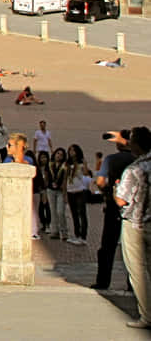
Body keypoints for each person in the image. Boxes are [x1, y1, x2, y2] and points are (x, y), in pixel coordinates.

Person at [114, 126, 151, 329]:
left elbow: (121, 200)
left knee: (137, 270)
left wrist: (114, 190)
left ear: (135, 145)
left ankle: (147, 315)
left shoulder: (134, 169)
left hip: (135, 223)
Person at [92, 129, 136, 290]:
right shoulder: (138, 160)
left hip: (113, 206)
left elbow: (100, 181)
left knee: (107, 246)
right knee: (132, 248)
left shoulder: (111, 160)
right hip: (134, 209)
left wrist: (105, 192)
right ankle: (133, 284)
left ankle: (103, 281)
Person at [65, 144, 90, 245]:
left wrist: (85, 165)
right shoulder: (67, 164)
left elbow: (86, 174)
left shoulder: (81, 163)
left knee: (82, 214)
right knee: (74, 214)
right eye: (70, 150)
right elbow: (65, 177)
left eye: (73, 150)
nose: (71, 153)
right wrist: (64, 192)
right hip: (70, 190)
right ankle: (77, 235)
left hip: (80, 190)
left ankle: (83, 236)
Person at [47, 147, 69, 240]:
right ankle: (54, 231)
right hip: (51, 190)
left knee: (60, 211)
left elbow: (65, 179)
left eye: (61, 155)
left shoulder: (65, 166)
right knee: (53, 211)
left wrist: (65, 194)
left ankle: (64, 232)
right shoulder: (50, 165)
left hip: (60, 191)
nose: (59, 156)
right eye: (57, 154)